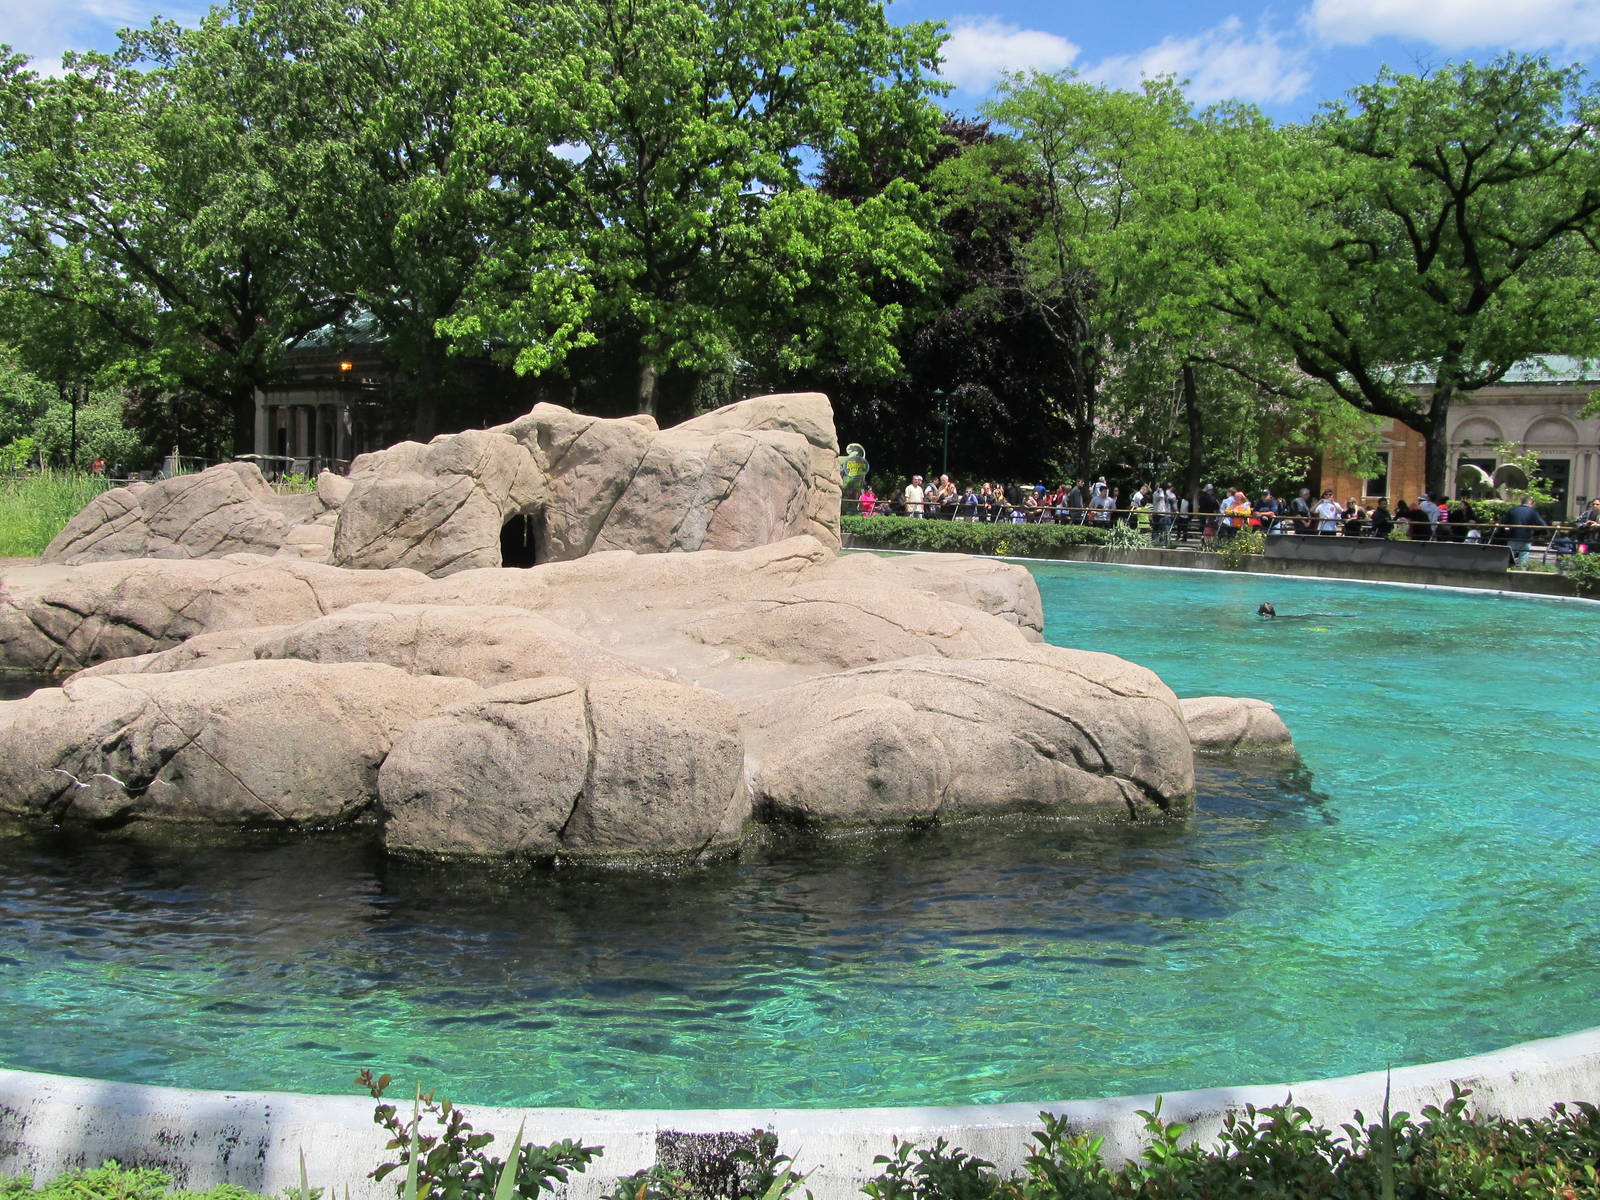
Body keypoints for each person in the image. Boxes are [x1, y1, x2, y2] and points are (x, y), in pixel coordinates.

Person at [1500, 495, 1548, 567]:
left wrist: (1507, 528)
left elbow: (1503, 522)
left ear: (1521, 502)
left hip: (1512, 537)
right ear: (1531, 504)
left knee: (1509, 559)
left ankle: (1507, 570)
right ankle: (1520, 571)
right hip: (1526, 538)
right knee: (1523, 559)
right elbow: (1543, 525)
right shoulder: (1532, 512)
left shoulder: (1513, 509)